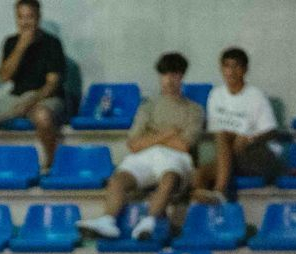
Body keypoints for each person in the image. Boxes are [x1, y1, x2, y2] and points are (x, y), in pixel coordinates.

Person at [77, 52, 204, 241]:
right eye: (164, 74)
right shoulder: (148, 106)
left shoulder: (194, 110)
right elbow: (134, 144)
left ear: (182, 76)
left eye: (174, 75)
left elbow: (184, 145)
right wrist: (167, 133)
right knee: (118, 179)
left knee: (170, 177)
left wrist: (152, 135)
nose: (168, 80)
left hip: (175, 158)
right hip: (144, 155)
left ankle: (150, 222)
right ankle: (107, 220)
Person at [0, 0, 65, 176]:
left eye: (30, 17)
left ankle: (52, 165)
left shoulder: (52, 43)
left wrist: (31, 101)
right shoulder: (11, 42)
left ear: (38, 17)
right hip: (17, 97)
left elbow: (52, 84)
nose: (26, 22)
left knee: (42, 116)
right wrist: (21, 46)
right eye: (21, 17)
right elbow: (3, 77)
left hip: (44, 98)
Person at [190, 47, 286, 205]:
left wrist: (249, 139)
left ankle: (220, 191)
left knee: (223, 138)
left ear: (245, 69)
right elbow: (216, 132)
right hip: (231, 156)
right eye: (227, 66)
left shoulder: (256, 95)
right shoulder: (216, 95)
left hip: (257, 153)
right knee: (200, 174)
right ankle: (205, 213)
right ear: (221, 69)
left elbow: (271, 132)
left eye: (236, 66)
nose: (231, 71)